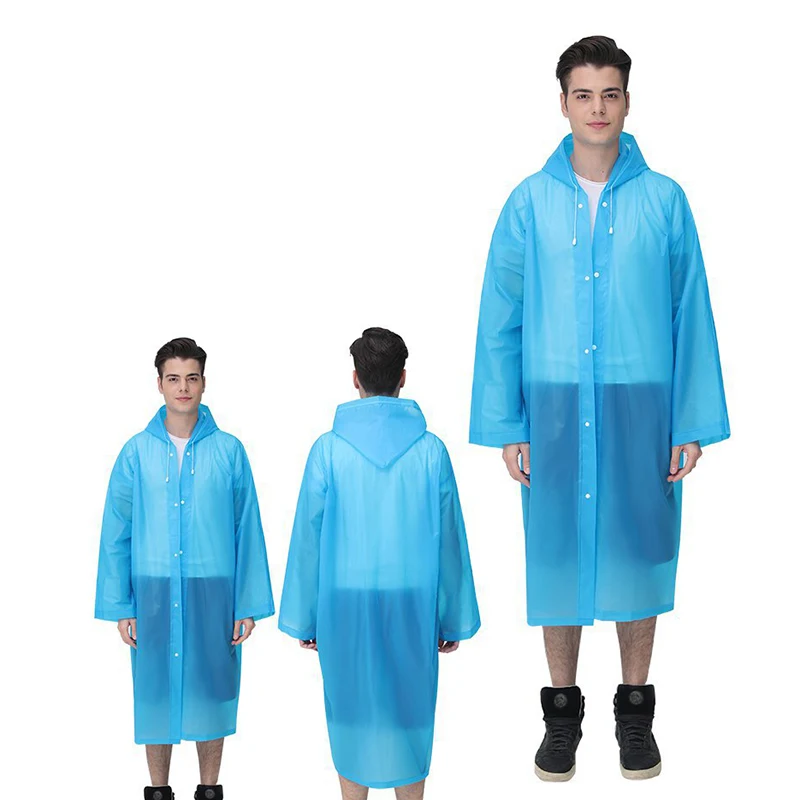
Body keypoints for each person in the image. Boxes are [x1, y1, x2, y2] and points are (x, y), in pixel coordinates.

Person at [469, 36, 729, 782]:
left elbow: (690, 312)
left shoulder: (665, 201)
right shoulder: (528, 203)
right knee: (556, 556)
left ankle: (635, 715)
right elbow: (501, 316)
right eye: (583, 95)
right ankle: (561, 717)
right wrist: (508, 423)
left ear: (627, 102)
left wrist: (690, 421)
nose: (597, 108)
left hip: (641, 406)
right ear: (562, 104)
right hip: (552, 407)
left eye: (609, 94)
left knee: (639, 554)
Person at [279, 327, 480, 800]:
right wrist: (451, 615)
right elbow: (449, 539)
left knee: (351, 713)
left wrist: (306, 615)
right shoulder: (430, 451)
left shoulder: (328, 450)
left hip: (344, 601)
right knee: (410, 710)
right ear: (403, 377)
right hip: (413, 598)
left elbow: (309, 538)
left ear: (355, 378)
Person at [95, 337, 274, 800]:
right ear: (159, 384)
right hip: (152, 592)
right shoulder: (136, 453)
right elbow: (117, 531)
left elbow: (247, 528)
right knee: (155, 694)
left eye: (191, 378)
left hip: (214, 591)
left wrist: (247, 604)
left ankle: (209, 790)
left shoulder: (230, 451)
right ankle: (158, 791)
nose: (183, 388)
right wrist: (121, 605)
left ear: (204, 383)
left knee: (212, 692)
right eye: (173, 378)